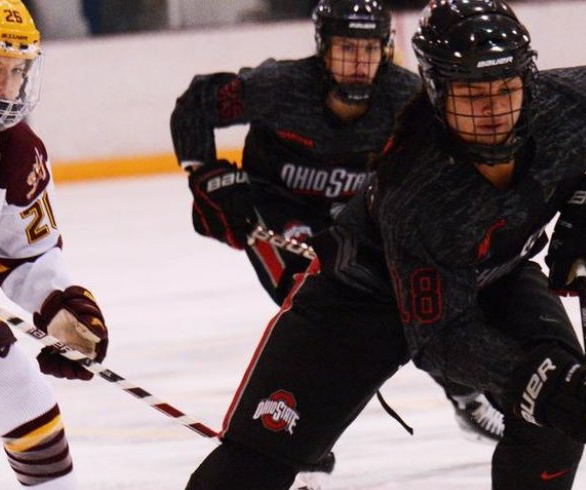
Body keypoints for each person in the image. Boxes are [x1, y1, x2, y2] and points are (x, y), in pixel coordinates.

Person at [184, 0, 586, 488]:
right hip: (363, 295)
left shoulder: (568, 105)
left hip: (496, 274)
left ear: (528, 79)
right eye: (472, 95)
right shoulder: (416, 190)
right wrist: (530, 378)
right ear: (436, 91)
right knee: (255, 461)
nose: (494, 110)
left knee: (556, 418)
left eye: (505, 89)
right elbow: (440, 337)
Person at [170, 0, 505, 475]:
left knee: (410, 299)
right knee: (314, 302)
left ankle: (466, 394)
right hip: (276, 210)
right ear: (323, 49)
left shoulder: (407, 99)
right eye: (347, 48)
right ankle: (302, 436)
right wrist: (207, 174)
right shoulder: (279, 87)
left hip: (357, 218)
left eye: (369, 50)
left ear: (387, 50)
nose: (359, 62)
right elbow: (199, 102)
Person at [0, 1, 109, 488]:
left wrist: (58, 306)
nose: (7, 88)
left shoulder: (17, 151)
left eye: (17, 71)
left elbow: (23, 252)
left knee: (17, 390)